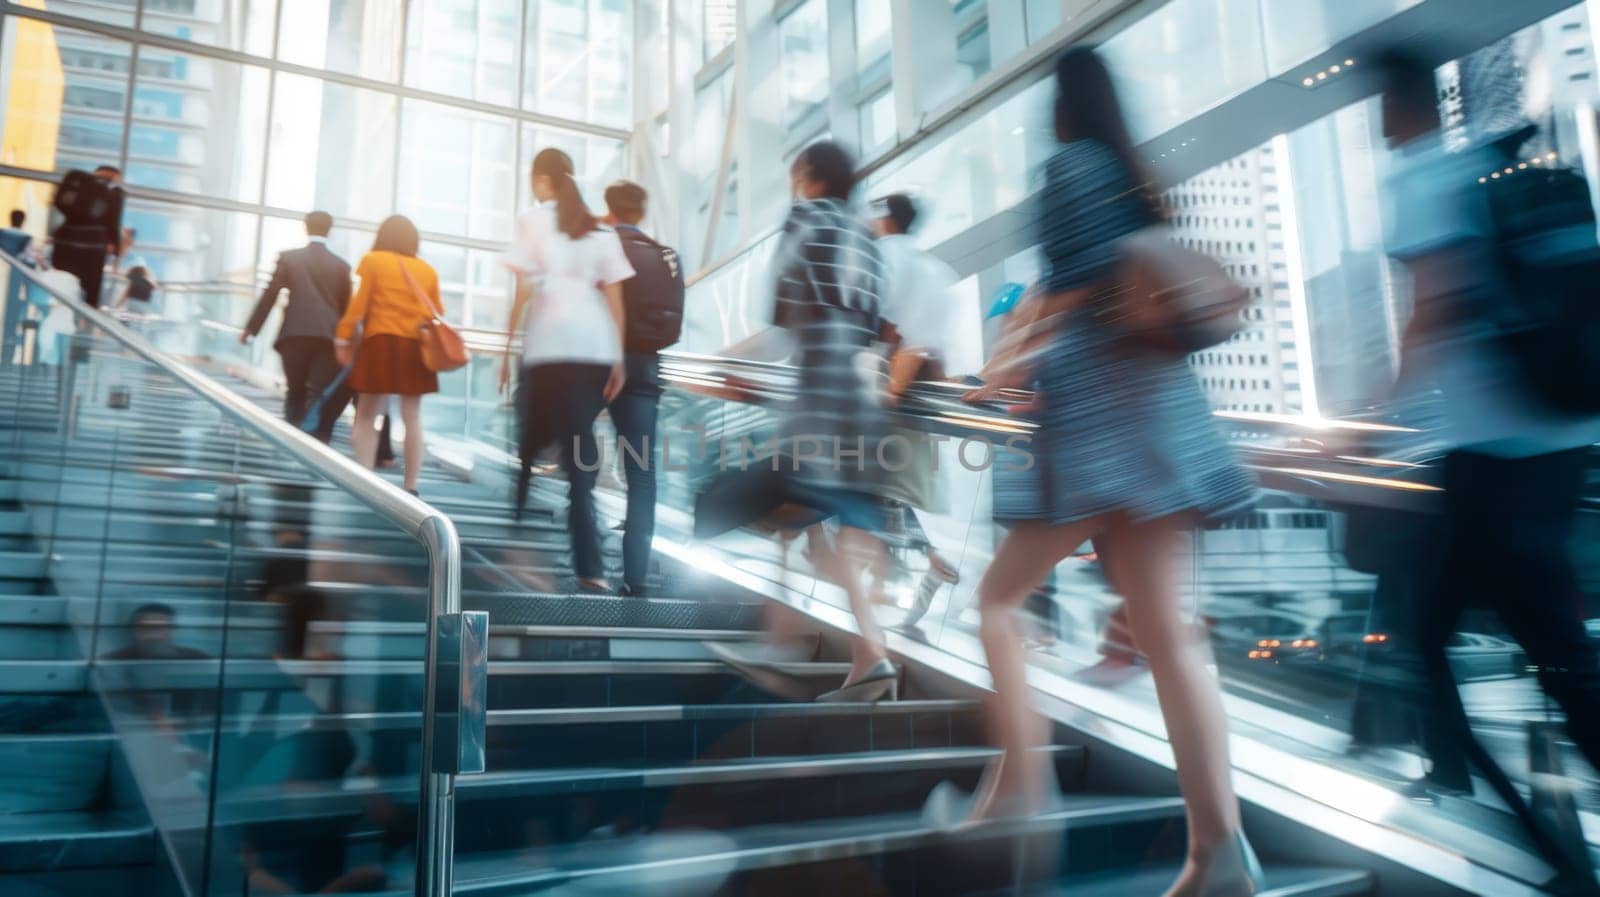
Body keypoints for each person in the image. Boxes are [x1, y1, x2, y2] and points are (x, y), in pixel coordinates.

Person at [932, 47, 1261, 897]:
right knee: (1170, 637)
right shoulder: (1132, 176)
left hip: (1096, 419)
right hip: (1163, 418)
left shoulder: (1070, 167)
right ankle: (1216, 849)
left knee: (998, 601)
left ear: (1061, 105)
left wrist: (1004, 372)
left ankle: (1024, 795)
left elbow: (1071, 289)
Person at [1375, 48, 1600, 893]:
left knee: (1440, 640)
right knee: (1548, 650)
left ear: (1393, 108)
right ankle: (1542, 844)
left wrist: (1376, 413)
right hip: (1563, 435)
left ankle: (1543, 850)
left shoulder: (1420, 178)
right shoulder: (1488, 168)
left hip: (1491, 459)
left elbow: (1432, 308)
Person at [709, 141, 900, 703]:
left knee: (792, 518)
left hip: (818, 401)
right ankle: (850, 652)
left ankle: (802, 644)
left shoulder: (804, 220)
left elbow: (785, 327)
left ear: (810, 178)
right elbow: (872, 327)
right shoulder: (868, 237)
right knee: (813, 526)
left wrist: (729, 366)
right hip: (863, 404)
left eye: (796, 175)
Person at [501, 148, 633, 591]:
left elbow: (522, 289)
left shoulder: (533, 219)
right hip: (593, 351)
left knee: (529, 446)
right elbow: (615, 297)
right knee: (580, 463)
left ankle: (515, 532)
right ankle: (590, 568)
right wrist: (618, 359)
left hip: (547, 348)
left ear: (542, 181)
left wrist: (506, 346)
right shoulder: (598, 228)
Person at [867, 192, 965, 627]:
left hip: (888, 386)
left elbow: (895, 331)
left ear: (885, 218)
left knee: (865, 484)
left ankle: (886, 580)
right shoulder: (935, 268)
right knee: (898, 486)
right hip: (921, 392)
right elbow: (933, 343)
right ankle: (924, 559)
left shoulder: (885, 258)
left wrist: (888, 387)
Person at [601, 180, 683, 597]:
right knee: (642, 476)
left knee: (579, 466)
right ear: (642, 211)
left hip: (598, 363)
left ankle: (588, 565)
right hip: (646, 369)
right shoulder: (664, 255)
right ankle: (635, 577)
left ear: (609, 209)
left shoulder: (602, 248)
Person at [334, 215, 439, 495]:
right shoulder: (427, 271)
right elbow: (434, 311)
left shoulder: (373, 261)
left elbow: (359, 306)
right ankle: (412, 485)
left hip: (379, 343)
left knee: (366, 416)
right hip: (414, 346)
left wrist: (342, 336)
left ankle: (366, 480)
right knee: (412, 416)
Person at [242, 211, 354, 443]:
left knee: (295, 390)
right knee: (317, 392)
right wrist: (348, 343)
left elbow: (270, 295)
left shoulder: (289, 258)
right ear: (330, 231)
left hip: (294, 335)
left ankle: (292, 441)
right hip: (328, 338)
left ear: (305, 228)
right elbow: (347, 309)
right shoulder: (341, 266)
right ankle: (315, 442)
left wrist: (251, 329)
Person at [49, 165, 124, 308]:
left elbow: (59, 203)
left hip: (65, 239)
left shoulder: (77, 180)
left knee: (60, 283)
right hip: (92, 247)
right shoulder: (114, 192)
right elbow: (113, 221)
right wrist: (116, 249)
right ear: (114, 177)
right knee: (89, 291)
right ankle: (83, 322)